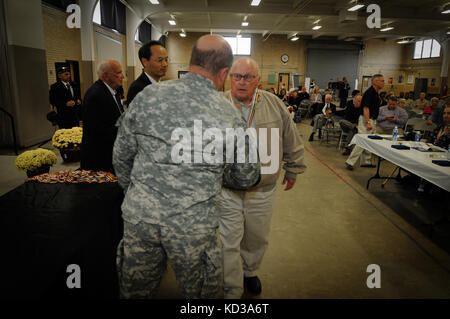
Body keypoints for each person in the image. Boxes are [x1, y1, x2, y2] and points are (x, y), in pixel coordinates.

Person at [113, 35, 261, 299]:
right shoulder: (228, 114)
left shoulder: (148, 96)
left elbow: (121, 157)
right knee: (201, 295)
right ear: (224, 73)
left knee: (135, 292)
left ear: (192, 62)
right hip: (194, 228)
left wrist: (138, 194)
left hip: (141, 220)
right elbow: (247, 175)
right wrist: (216, 172)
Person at [220, 57, 305, 299]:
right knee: (228, 239)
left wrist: (293, 168)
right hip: (227, 189)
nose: (242, 81)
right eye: (237, 76)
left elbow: (291, 137)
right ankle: (232, 288)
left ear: (258, 80)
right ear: (230, 77)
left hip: (262, 188)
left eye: (248, 77)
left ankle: (249, 271)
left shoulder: (274, 104)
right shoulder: (216, 104)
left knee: (257, 237)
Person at [80, 60, 125, 173]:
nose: (122, 76)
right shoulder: (95, 95)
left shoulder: (112, 91)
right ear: (105, 75)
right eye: (118, 73)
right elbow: (96, 131)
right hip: (100, 159)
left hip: (111, 154)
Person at [345, 74, 385, 170]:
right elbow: (365, 108)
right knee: (362, 141)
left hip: (372, 119)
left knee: (368, 141)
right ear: (375, 81)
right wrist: (368, 122)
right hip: (366, 119)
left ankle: (366, 161)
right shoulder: (369, 93)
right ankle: (350, 162)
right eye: (382, 81)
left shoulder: (376, 93)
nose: (384, 83)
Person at [126, 41, 168, 106]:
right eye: (160, 60)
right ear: (145, 62)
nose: (165, 64)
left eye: (166, 60)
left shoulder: (160, 85)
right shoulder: (138, 89)